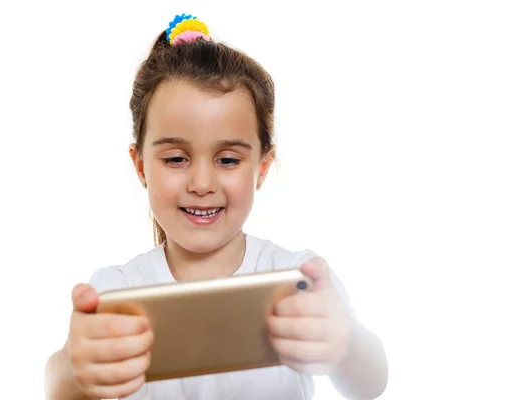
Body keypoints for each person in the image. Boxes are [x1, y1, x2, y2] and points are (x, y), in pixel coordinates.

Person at [44, 13, 388, 400]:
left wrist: (347, 347)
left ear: (262, 168)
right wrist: (74, 368)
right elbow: (58, 384)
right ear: (140, 166)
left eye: (227, 160)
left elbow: (372, 382)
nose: (202, 184)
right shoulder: (117, 294)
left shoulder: (296, 280)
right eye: (176, 159)